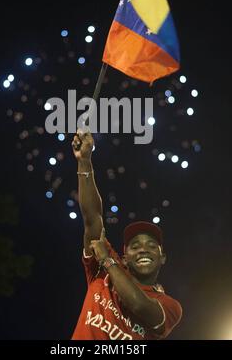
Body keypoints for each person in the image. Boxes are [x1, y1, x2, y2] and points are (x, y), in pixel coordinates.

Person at [71, 130, 182, 340]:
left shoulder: (170, 306)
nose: (143, 249)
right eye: (135, 245)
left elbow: (139, 305)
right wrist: (84, 161)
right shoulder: (101, 273)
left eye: (151, 245)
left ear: (162, 258)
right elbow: (92, 218)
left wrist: (107, 260)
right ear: (124, 257)